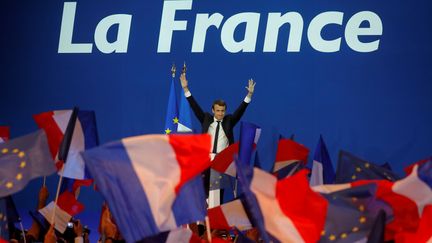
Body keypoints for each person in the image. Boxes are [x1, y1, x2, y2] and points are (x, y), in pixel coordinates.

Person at [180, 72, 255, 206]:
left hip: (221, 161)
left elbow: (240, 111)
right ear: (213, 110)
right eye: (218, 110)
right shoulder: (206, 119)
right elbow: (194, 106)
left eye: (223, 111)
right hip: (206, 159)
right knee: (204, 191)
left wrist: (248, 95)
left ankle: (216, 221)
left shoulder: (229, 121)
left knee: (218, 192)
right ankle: (203, 221)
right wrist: (186, 89)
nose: (220, 113)